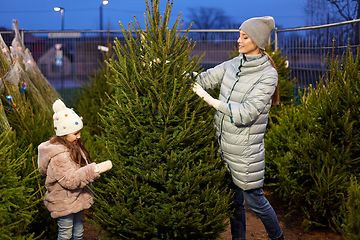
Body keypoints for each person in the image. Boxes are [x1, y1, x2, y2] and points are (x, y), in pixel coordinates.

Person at [192, 16, 283, 240]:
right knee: (234, 202)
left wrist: (211, 101)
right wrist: (169, 68)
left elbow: (246, 113)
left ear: (257, 41)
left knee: (256, 201)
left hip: (245, 154)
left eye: (245, 36)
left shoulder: (267, 76)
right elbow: (203, 80)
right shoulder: (233, 64)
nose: (239, 40)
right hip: (223, 147)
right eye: (239, 35)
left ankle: (278, 237)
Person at [38, 99, 113, 240]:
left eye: (79, 132)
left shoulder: (73, 146)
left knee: (78, 232)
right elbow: (70, 180)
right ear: (63, 133)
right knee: (65, 235)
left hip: (77, 199)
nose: (79, 136)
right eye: (75, 133)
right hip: (63, 202)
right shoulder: (58, 156)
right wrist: (94, 170)